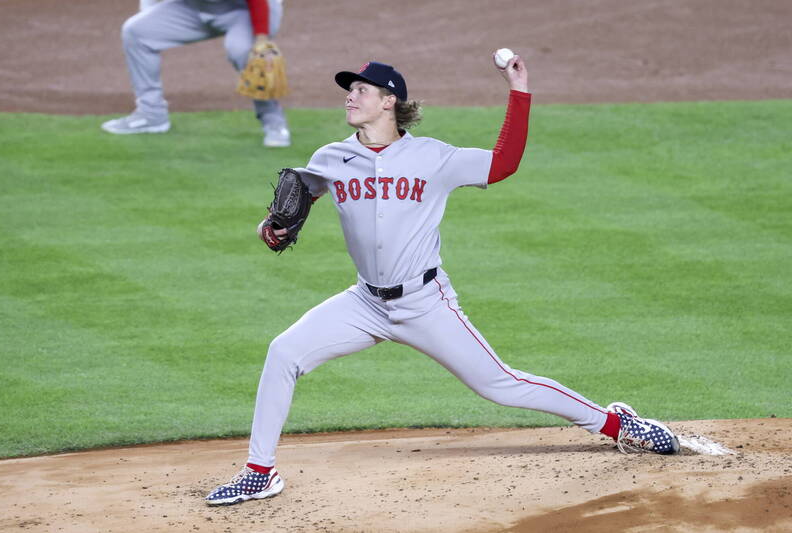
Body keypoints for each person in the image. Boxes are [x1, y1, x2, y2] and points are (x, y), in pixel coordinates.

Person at [204, 56, 680, 506]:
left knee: (501, 384)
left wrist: (518, 90)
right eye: (350, 90)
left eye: (361, 90)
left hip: (425, 303)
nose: (350, 96)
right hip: (364, 303)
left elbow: (503, 163)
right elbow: (293, 204)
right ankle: (260, 471)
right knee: (283, 352)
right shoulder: (331, 158)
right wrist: (270, 228)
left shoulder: (434, 157)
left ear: (389, 101)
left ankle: (617, 425)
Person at [102, 0, 291, 147]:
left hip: (245, 10)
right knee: (137, 32)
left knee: (245, 52)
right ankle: (151, 115)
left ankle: (274, 122)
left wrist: (261, 38)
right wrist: (149, 17)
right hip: (193, 7)